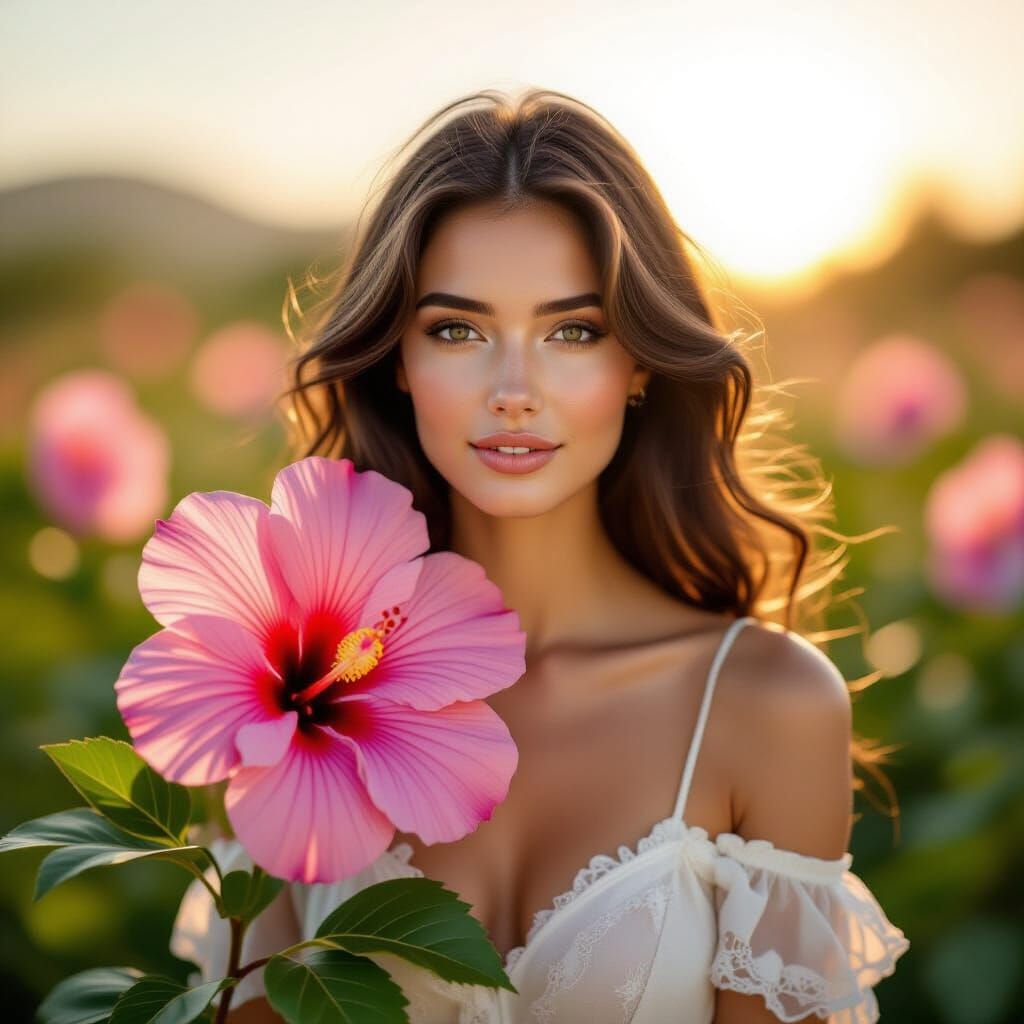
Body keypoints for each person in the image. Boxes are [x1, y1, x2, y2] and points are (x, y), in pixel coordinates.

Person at [171, 87, 909, 1022]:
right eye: (458, 330)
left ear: (638, 360)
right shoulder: (275, 681)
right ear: (397, 358)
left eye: (573, 331)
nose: (514, 390)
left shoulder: (768, 705)